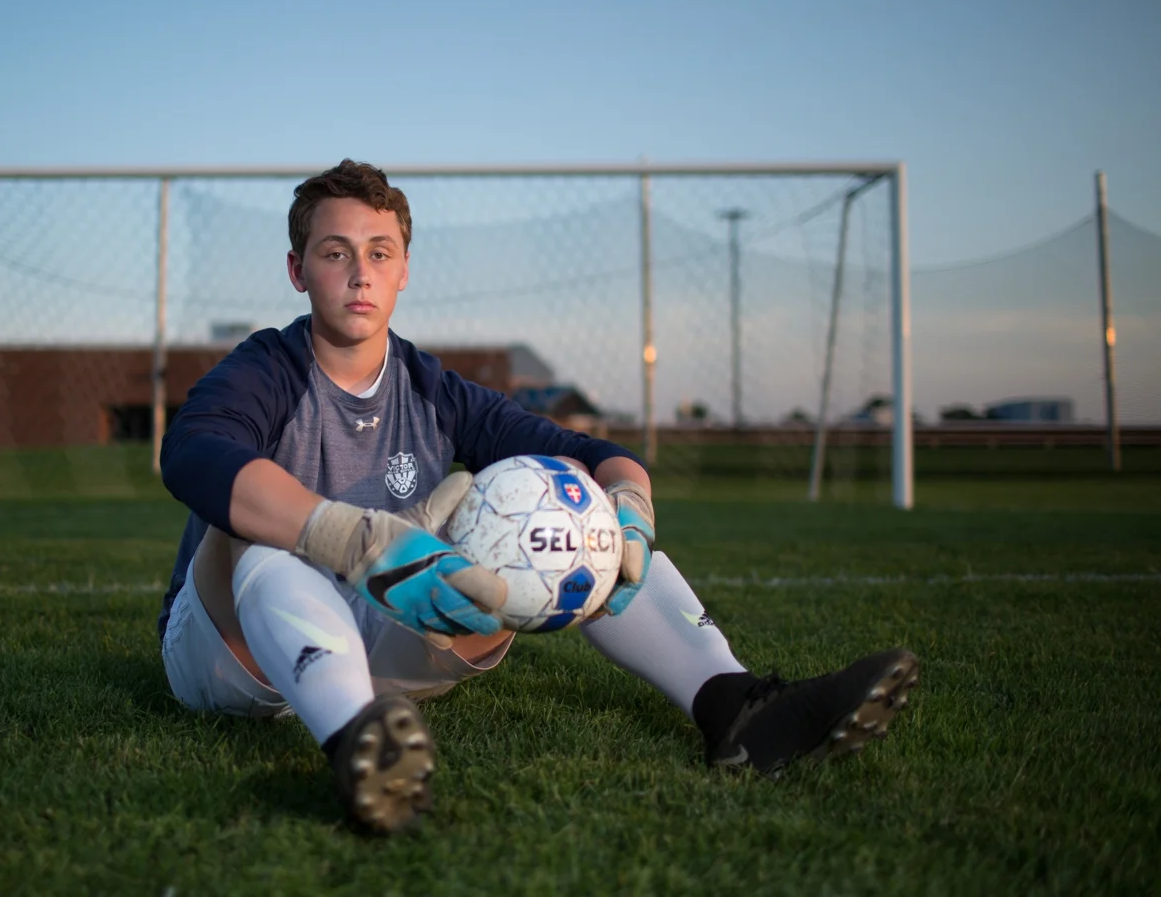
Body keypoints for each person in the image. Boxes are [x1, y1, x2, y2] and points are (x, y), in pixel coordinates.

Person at [158, 160, 918, 833]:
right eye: (335, 253)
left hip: (386, 634)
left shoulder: (433, 389)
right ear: (299, 271)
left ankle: (734, 705)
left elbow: (593, 456)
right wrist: (354, 539)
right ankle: (359, 742)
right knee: (260, 543)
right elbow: (192, 454)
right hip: (234, 651)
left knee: (571, 511)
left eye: (378, 253)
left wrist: (630, 507)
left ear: (404, 270)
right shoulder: (267, 368)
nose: (360, 273)